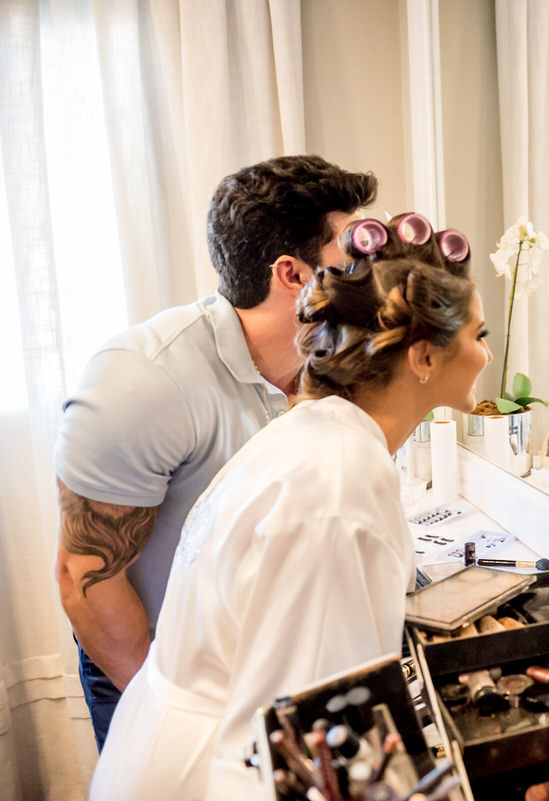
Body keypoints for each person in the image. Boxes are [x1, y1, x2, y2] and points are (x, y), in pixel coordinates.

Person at [89, 214, 491, 800]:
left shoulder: (314, 433)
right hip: (210, 775)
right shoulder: (339, 486)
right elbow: (313, 741)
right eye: (478, 335)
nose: (485, 354)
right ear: (424, 357)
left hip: (164, 745)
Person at [53, 155, 377, 749]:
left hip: (263, 666)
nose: (373, 271)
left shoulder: (330, 360)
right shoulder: (142, 381)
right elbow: (87, 579)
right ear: (293, 274)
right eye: (354, 254)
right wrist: (172, 718)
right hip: (158, 668)